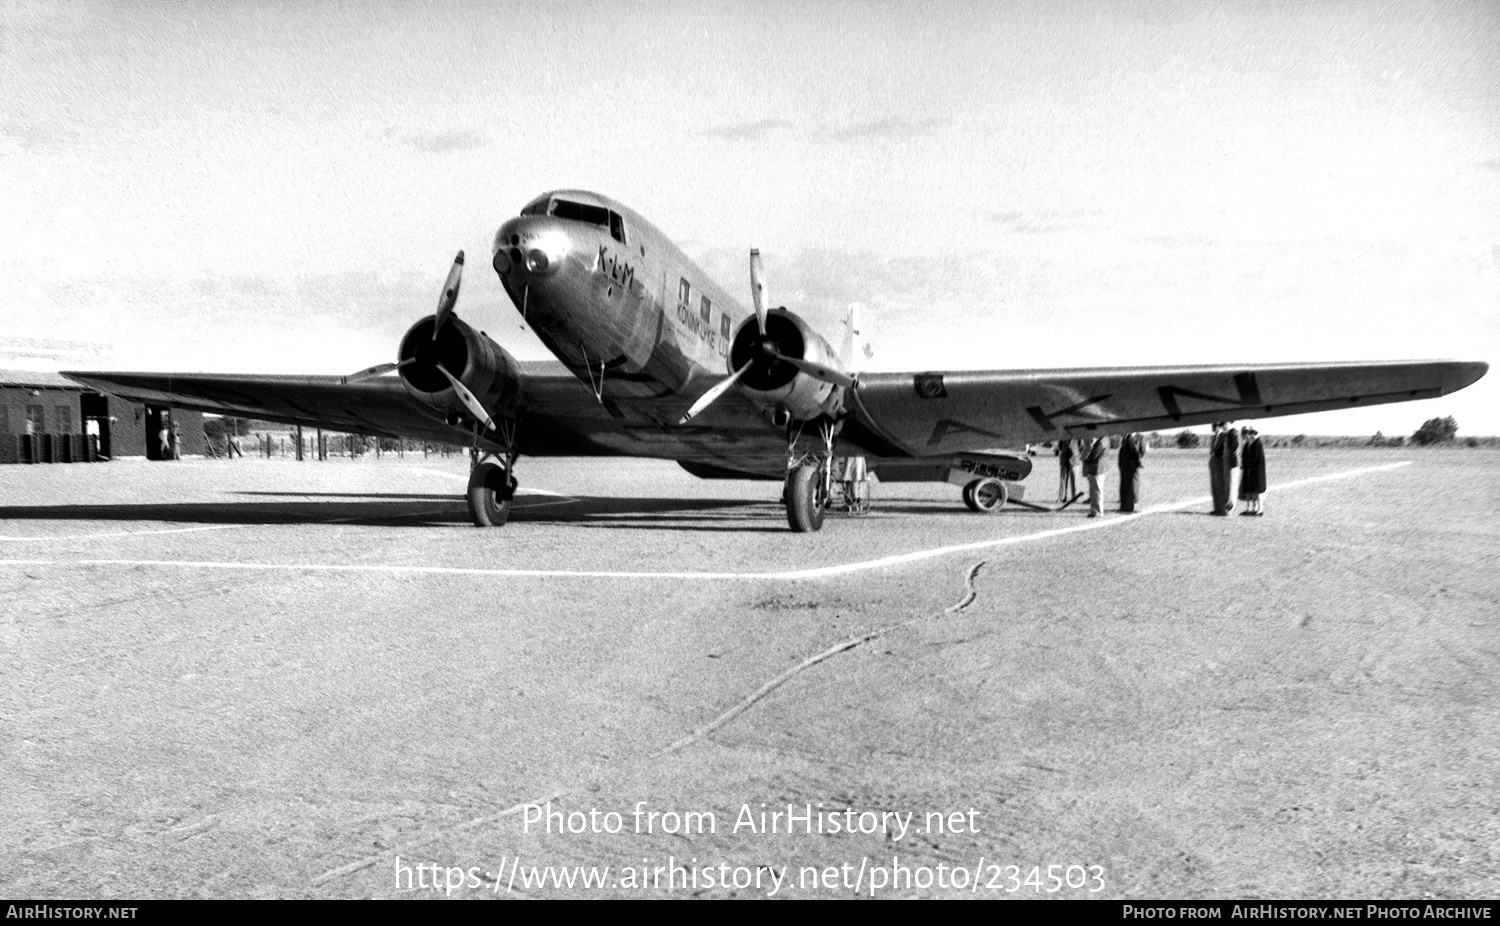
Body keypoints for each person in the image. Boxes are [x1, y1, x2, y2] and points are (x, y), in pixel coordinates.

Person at [1208, 421, 1240, 515]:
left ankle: (1226, 509)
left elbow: (1234, 449)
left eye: (1217, 425)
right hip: (1218, 462)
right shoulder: (1218, 436)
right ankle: (1219, 508)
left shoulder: (1228, 434)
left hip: (1225, 462)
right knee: (1216, 487)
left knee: (1227, 486)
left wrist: (1233, 463)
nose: (1214, 427)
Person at [1238, 426, 1266, 516]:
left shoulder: (1258, 443)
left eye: (1252, 434)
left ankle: (1260, 509)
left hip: (1257, 472)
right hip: (1249, 471)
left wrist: (1249, 464)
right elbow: (1244, 456)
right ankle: (1251, 509)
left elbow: (1256, 458)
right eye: (1249, 434)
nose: (1250, 436)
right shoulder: (1248, 444)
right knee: (1250, 491)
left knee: (1258, 491)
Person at [1118, 431, 1147, 512]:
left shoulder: (1131, 438)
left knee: (1130, 485)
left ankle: (1128, 505)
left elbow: (1136, 451)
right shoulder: (1127, 437)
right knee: (1126, 486)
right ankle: (1125, 505)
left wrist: (1138, 461)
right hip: (1126, 465)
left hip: (1130, 466)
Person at [1082, 435, 1108, 517]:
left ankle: (1096, 511)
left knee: (1096, 491)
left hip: (1097, 469)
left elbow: (1094, 455)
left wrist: (1086, 460)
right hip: (1101, 468)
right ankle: (1096, 510)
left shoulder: (1100, 443)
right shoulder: (1105, 440)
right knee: (1096, 490)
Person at [1057, 438, 1079, 503]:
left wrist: (1075, 452)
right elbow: (1060, 445)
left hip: (1074, 457)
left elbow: (1081, 445)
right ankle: (1062, 497)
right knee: (1063, 478)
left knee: (1074, 478)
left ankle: (1075, 497)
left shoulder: (1077, 434)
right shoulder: (1063, 435)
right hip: (1064, 457)